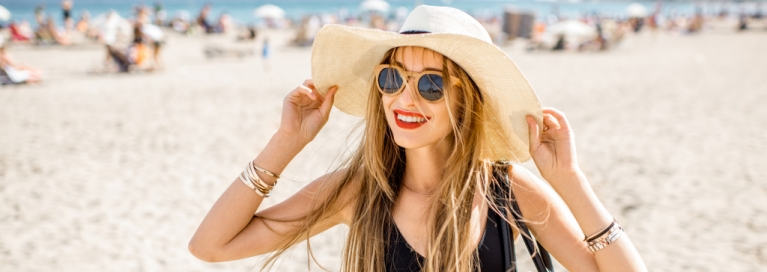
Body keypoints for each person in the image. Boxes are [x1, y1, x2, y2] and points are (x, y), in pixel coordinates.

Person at [189, 5, 647, 271]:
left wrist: (569, 178)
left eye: (430, 84)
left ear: (467, 102)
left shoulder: (506, 190)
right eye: (392, 79)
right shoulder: (357, 192)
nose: (404, 99)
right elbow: (210, 246)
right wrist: (286, 142)